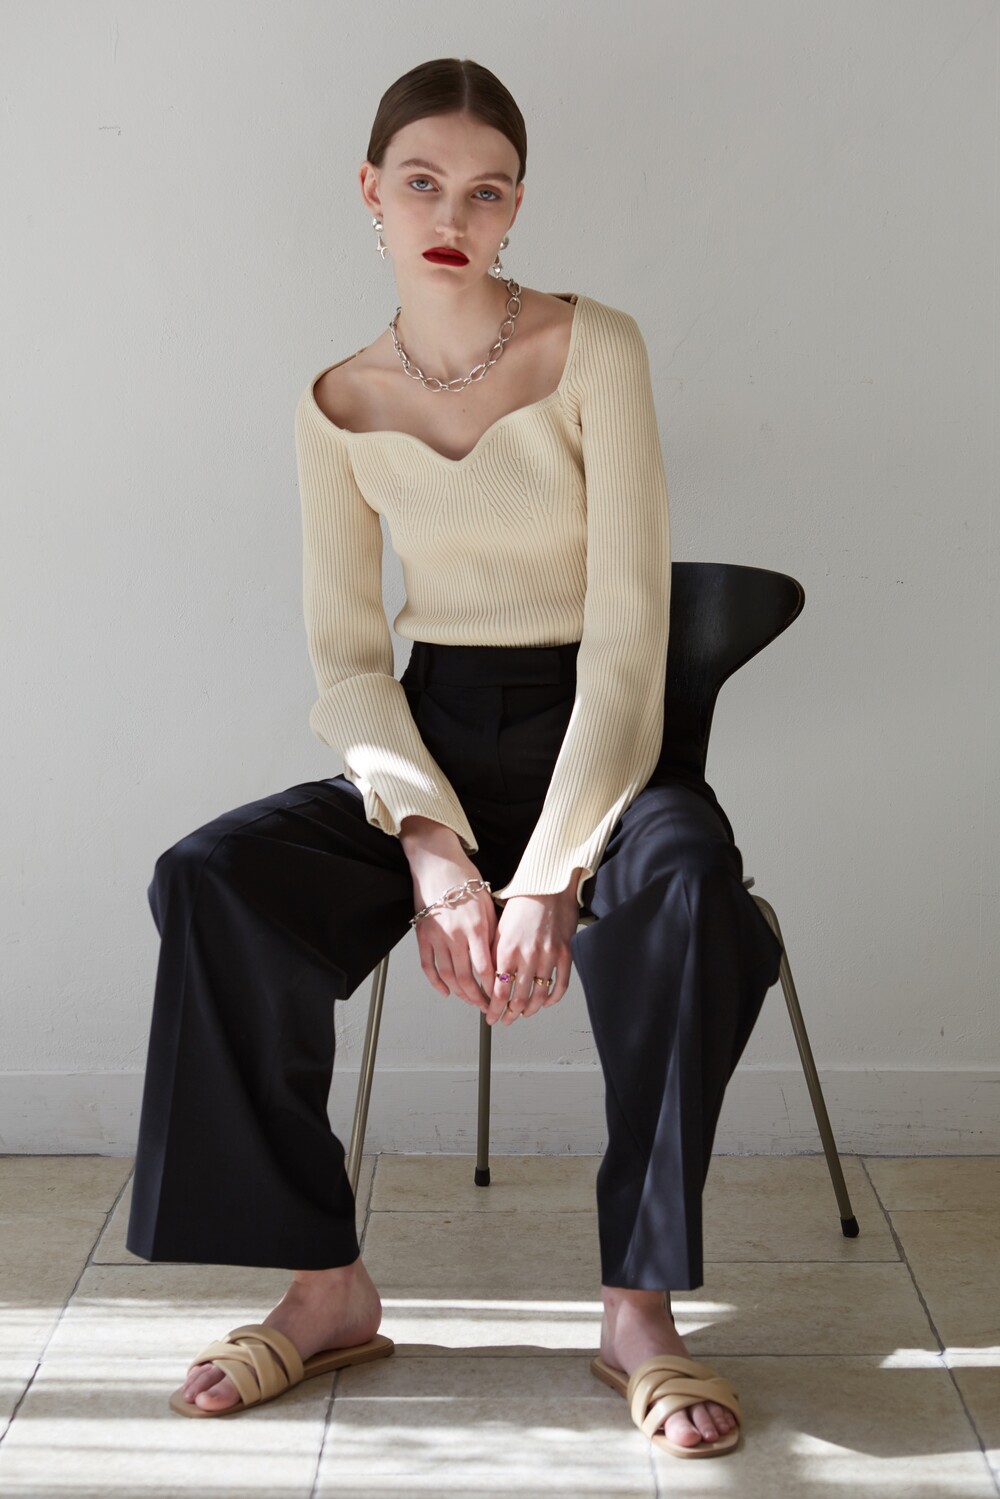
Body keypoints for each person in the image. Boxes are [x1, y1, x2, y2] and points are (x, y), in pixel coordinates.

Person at [126, 57, 782, 1458]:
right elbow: (350, 660)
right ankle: (326, 1287)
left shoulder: (596, 347)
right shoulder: (334, 402)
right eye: (422, 182)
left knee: (688, 895)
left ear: (516, 207)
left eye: (486, 192)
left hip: (607, 739)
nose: (451, 214)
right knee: (212, 879)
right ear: (370, 191)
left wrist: (549, 874)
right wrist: (431, 845)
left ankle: (639, 1309)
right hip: (430, 743)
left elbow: (630, 635)